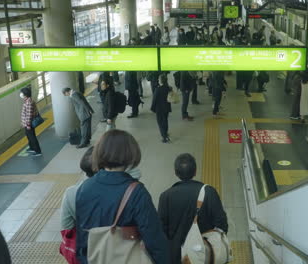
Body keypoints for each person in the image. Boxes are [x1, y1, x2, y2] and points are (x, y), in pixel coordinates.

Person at [75, 130, 169, 264]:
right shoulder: (137, 192)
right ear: (130, 155)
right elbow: (154, 240)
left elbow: (82, 237)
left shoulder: (84, 188)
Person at [158, 153, 228, 264]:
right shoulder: (209, 192)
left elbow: (162, 229)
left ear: (176, 172)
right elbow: (222, 224)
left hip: (178, 254)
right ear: (195, 171)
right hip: (204, 252)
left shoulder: (165, 196)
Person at [20, 87, 42, 156]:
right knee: (29, 136)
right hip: (27, 124)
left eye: (21, 93)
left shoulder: (29, 102)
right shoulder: (28, 100)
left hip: (28, 124)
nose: (20, 94)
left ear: (25, 94)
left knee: (32, 137)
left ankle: (37, 151)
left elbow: (29, 115)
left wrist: (28, 125)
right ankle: (32, 148)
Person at [151, 74, 172, 143]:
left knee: (160, 122)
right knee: (165, 121)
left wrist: (152, 108)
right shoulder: (168, 88)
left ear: (161, 81)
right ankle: (166, 132)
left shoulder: (158, 89)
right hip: (167, 108)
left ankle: (164, 137)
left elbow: (154, 100)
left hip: (159, 109)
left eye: (159, 79)